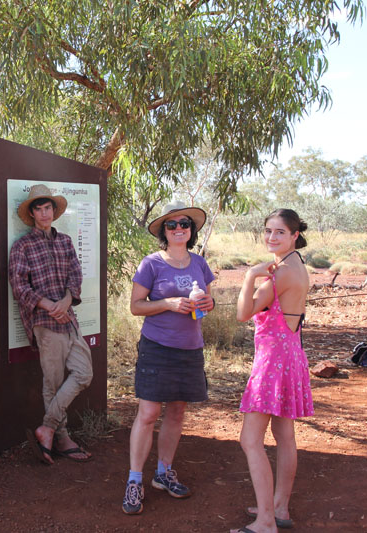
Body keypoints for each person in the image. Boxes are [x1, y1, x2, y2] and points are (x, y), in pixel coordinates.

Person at [122, 204, 216, 515]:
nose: (178, 229)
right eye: (171, 225)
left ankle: (163, 472)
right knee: (149, 413)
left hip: (190, 348)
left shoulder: (199, 263)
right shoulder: (151, 263)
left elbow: (208, 301)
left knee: (176, 412)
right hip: (157, 347)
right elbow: (136, 306)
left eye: (184, 224)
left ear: (191, 230)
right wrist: (168, 303)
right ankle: (135, 480)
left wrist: (208, 303)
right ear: (164, 231)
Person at [232, 209, 314, 533]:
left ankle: (266, 521)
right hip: (290, 356)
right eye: (268, 230)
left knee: (250, 439)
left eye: (280, 232)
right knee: (284, 436)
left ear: (295, 235)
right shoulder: (295, 264)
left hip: (273, 362)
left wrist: (250, 276)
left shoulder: (279, 274)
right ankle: (279, 506)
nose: (271, 237)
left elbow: (243, 313)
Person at [9, 184, 93, 464]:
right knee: (52, 383)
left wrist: (66, 301)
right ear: (32, 213)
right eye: (39, 209)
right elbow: (19, 286)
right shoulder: (22, 246)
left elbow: (75, 275)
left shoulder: (65, 242)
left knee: (84, 373)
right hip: (45, 323)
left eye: (48, 208)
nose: (44, 213)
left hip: (69, 319)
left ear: (54, 212)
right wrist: (49, 306)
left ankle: (47, 427)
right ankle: (62, 437)